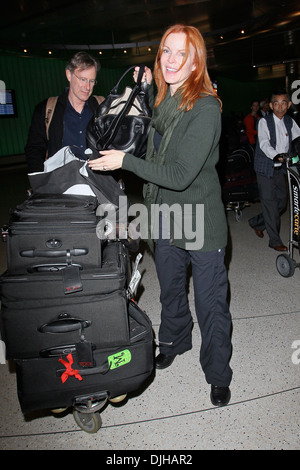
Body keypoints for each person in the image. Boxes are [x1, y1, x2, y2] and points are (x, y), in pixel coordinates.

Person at [89, 24, 233, 407]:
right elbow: (149, 135)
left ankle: (218, 374)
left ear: (195, 61)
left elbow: (179, 174)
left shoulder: (205, 108)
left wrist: (126, 161)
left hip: (201, 220)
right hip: (165, 216)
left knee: (210, 303)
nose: (170, 60)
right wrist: (141, 88)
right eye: (165, 51)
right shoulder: (162, 101)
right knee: (171, 291)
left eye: (180, 54)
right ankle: (174, 342)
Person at [25, 51, 103, 173]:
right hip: (60, 184)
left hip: (98, 183)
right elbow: (34, 149)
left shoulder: (102, 108)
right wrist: (43, 182)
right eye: (83, 79)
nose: (87, 87)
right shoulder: (47, 109)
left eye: (92, 81)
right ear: (68, 75)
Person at [248, 90, 300, 251]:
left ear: (289, 105)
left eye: (283, 103)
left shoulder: (290, 122)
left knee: (281, 202)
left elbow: (298, 140)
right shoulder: (265, 122)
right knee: (270, 203)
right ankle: (274, 240)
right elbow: (264, 143)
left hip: (281, 169)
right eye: (276, 103)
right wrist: (276, 155)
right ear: (271, 106)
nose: (280, 107)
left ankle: (257, 222)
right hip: (266, 167)